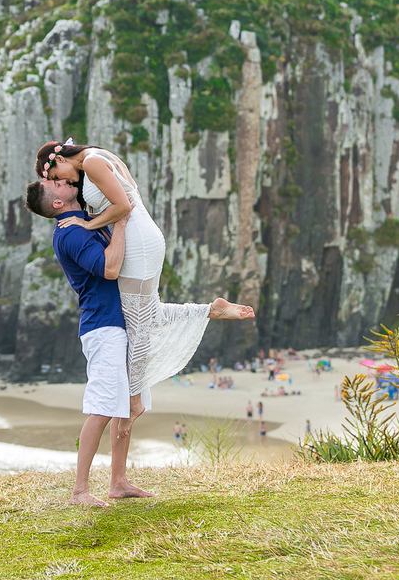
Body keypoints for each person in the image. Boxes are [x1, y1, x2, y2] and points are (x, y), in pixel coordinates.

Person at [36, 139, 254, 438]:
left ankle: (134, 399)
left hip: (137, 240)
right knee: (148, 312)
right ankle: (209, 310)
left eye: (57, 177)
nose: (63, 182)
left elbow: (123, 206)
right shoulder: (101, 155)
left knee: (138, 321)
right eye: (56, 183)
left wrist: (87, 225)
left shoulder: (90, 163)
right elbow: (129, 195)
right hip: (147, 235)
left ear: (60, 159)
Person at [24, 177, 154, 506]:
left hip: (120, 321)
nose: (60, 180)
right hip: (103, 326)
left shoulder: (82, 219)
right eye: (53, 182)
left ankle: (119, 481)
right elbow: (110, 269)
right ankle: (79, 490)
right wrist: (121, 223)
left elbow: (86, 170)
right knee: (103, 407)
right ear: (57, 203)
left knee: (126, 407)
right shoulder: (69, 233)